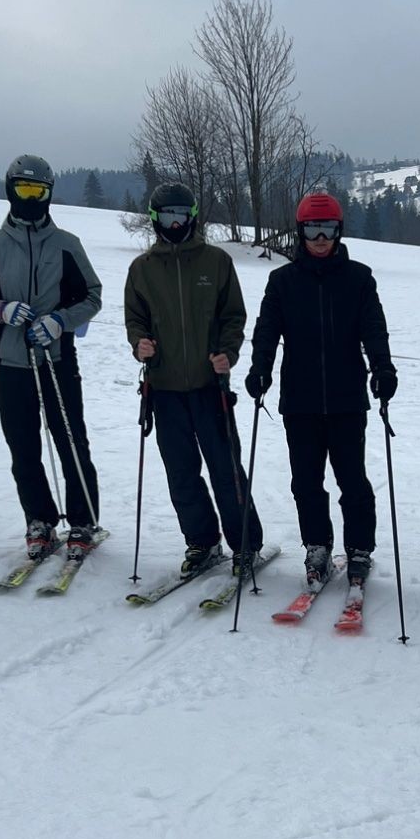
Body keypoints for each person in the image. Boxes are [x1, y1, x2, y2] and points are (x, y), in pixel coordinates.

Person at [247, 191, 397, 589]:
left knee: (353, 481)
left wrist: (382, 368)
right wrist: (259, 368)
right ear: (300, 232)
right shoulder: (282, 281)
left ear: (338, 230)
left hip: (348, 398)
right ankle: (317, 546)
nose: (319, 238)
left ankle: (360, 548)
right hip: (300, 399)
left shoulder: (359, 278)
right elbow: (266, 332)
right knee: (306, 482)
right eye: (312, 229)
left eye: (327, 229)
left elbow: (374, 329)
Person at [0, 155, 103, 560]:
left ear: (49, 195)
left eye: (38, 192)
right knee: (23, 446)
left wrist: (61, 320)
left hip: (56, 359)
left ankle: (83, 520)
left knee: (71, 441)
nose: (31, 199)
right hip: (11, 362)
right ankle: (39, 519)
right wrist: (1, 311)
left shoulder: (66, 245)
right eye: (24, 190)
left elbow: (92, 296)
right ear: (11, 190)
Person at [124, 181, 263, 575]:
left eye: (180, 215)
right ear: (155, 220)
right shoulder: (143, 269)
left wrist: (228, 353)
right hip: (164, 389)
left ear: (193, 217)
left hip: (209, 387)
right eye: (166, 216)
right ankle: (201, 541)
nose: (174, 223)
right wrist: (139, 344)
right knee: (181, 473)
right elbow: (134, 317)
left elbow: (234, 315)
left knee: (226, 469)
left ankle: (245, 544)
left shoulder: (216, 261)